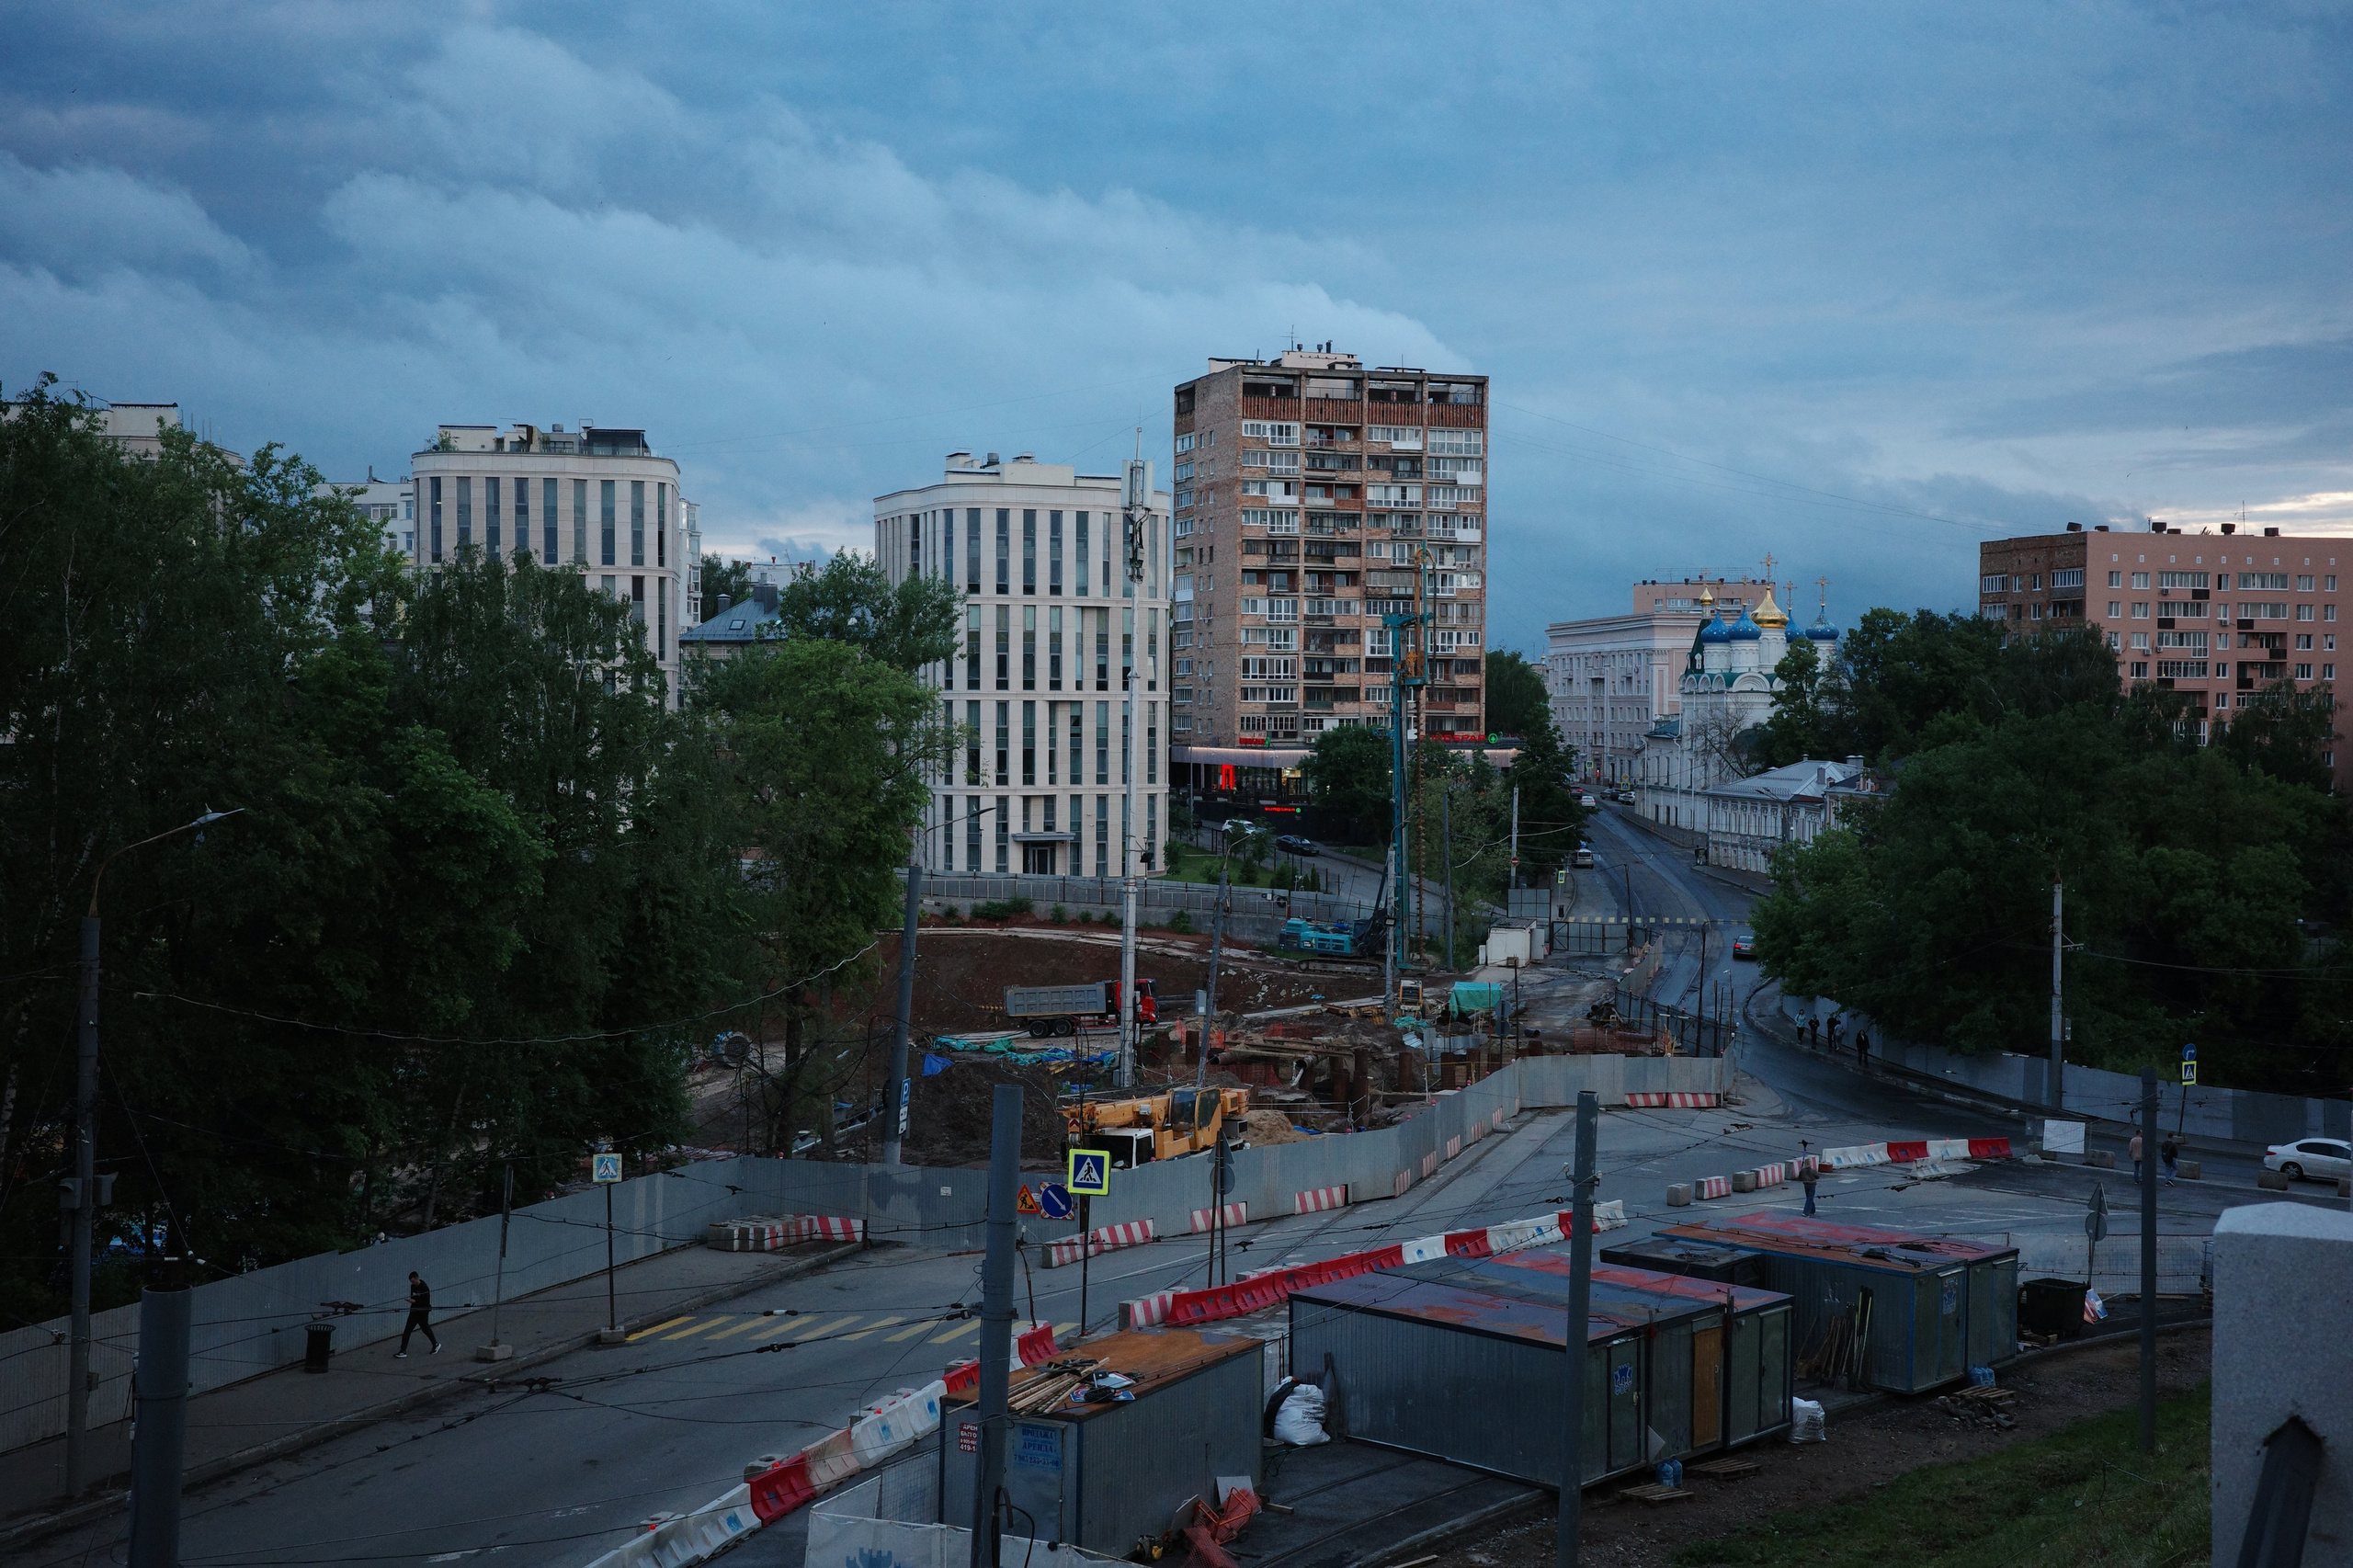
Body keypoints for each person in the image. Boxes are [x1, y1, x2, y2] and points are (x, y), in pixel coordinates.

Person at [397, 1270, 439, 1358]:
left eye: (413, 1281)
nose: (412, 1283)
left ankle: (435, 1344)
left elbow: (426, 1302)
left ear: (417, 1279)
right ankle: (403, 1351)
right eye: (411, 1282)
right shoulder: (413, 1286)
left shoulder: (424, 1287)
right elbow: (413, 1296)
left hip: (422, 1312)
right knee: (407, 1330)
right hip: (414, 1311)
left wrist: (415, 1301)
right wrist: (412, 1301)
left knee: (425, 1329)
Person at [1799, 1142, 1819, 1215]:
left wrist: (1801, 1172)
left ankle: (1811, 1210)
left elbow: (1800, 1178)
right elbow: (1817, 1176)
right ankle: (1807, 1212)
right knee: (1810, 1198)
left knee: (1809, 1197)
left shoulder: (1803, 1170)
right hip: (1812, 1185)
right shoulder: (1812, 1170)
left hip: (1806, 1185)